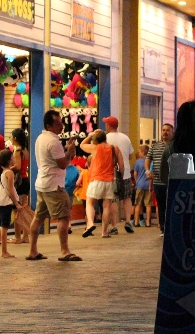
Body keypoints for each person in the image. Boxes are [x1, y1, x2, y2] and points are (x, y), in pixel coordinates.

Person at [28, 110, 81, 261]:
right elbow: (63, 164)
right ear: (49, 125)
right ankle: (64, 251)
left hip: (42, 183)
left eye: (61, 123)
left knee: (38, 217)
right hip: (54, 185)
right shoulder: (53, 141)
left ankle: (33, 250)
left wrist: (66, 151)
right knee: (64, 217)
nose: (61, 126)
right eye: (58, 124)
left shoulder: (41, 138)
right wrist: (70, 152)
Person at [79, 130, 121, 239]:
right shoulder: (114, 148)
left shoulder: (95, 148)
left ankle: (91, 224)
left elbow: (82, 145)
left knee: (89, 202)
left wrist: (90, 135)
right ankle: (104, 232)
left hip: (96, 179)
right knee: (106, 206)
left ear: (96, 139)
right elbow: (120, 164)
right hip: (109, 180)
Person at [103, 116, 135, 233]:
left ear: (109, 126)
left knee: (114, 199)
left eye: (106, 124)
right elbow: (131, 155)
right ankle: (128, 221)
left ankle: (114, 225)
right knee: (127, 197)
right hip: (126, 172)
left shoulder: (105, 138)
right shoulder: (125, 137)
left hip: (112, 173)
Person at [0, 150, 21, 258]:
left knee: (4, 224)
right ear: (8, 160)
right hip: (6, 201)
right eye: (12, 157)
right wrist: (17, 204)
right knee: (5, 226)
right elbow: (11, 190)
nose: (14, 158)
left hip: (0, 201)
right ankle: (4, 251)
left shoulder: (3, 172)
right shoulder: (9, 173)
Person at [147, 123, 173, 237]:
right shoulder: (155, 146)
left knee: (171, 205)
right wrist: (147, 170)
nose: (165, 132)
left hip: (171, 180)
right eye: (163, 130)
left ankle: (171, 227)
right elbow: (148, 159)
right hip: (158, 181)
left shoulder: (174, 146)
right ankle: (163, 228)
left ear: (172, 132)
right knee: (161, 205)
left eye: (167, 130)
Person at [9, 128, 31, 244]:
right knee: (24, 208)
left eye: (11, 136)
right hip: (25, 179)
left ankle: (17, 237)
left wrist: (6, 169)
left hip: (19, 182)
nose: (10, 138)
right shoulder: (25, 150)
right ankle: (25, 236)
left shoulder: (18, 151)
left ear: (15, 138)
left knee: (17, 210)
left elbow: (17, 166)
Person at [132, 144, 152, 227]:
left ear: (143, 152)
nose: (139, 153)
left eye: (139, 152)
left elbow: (135, 173)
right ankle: (148, 223)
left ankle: (136, 222)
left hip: (139, 185)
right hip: (148, 185)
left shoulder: (138, 162)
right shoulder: (150, 162)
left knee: (138, 204)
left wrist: (137, 181)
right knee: (148, 205)